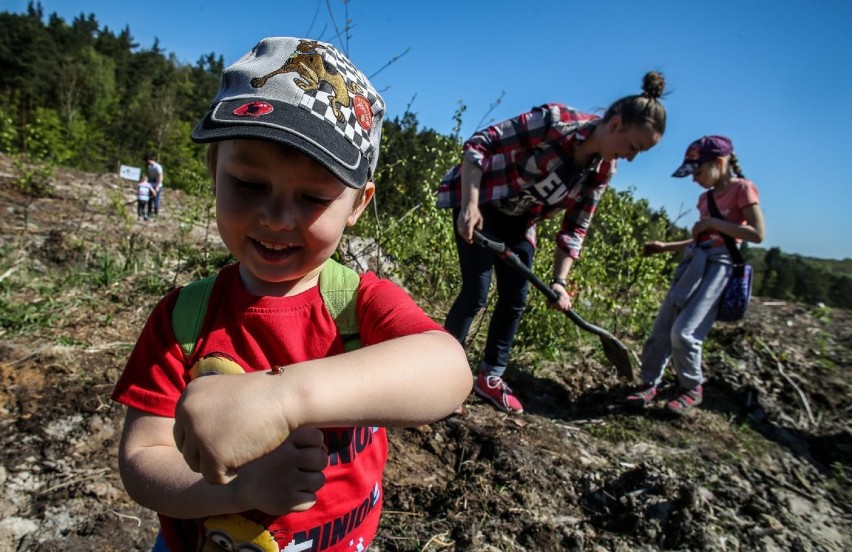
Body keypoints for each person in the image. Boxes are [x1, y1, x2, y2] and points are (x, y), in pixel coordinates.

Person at [112, 37, 471, 552]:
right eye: (249, 184)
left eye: (313, 197)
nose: (277, 218)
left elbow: (448, 370)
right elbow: (142, 460)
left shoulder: (359, 305)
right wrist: (240, 487)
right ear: (214, 171)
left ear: (356, 205)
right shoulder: (184, 319)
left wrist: (284, 398)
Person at [437, 72, 668, 414]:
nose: (631, 157)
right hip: (481, 200)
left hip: (519, 220)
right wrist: (469, 206)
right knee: (476, 294)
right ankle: (442, 379)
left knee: (516, 297)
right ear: (616, 124)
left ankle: (490, 377)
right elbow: (480, 143)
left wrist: (560, 281)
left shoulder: (603, 171)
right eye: (634, 147)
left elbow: (576, 226)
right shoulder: (554, 122)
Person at [626, 135, 765, 415]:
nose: (695, 180)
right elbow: (702, 238)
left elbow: (757, 234)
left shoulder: (743, 189)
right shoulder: (705, 198)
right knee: (662, 327)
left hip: (719, 269)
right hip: (695, 262)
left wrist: (715, 222)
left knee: (685, 332)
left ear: (719, 163)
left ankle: (691, 387)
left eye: (698, 172)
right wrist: (666, 247)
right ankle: (648, 383)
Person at [143, 152, 164, 218]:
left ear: (148, 160)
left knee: (156, 200)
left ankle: (155, 214)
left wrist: (157, 187)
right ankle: (149, 214)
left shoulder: (158, 167)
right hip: (151, 185)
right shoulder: (149, 167)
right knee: (149, 200)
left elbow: (160, 176)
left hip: (157, 186)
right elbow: (149, 176)